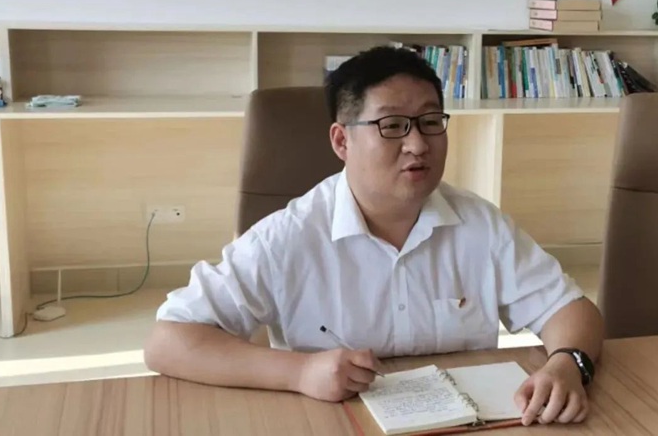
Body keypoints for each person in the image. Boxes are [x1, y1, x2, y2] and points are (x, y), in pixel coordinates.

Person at [144, 45, 604, 426]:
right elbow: (168, 342)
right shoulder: (288, 237)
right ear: (341, 141)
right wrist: (299, 372)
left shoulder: (481, 225)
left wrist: (568, 364)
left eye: (430, 121)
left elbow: (569, 309)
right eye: (392, 126)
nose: (418, 144)